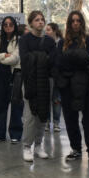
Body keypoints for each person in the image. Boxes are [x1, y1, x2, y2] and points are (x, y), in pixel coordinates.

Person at [57, 11, 89, 165]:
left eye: (78, 20)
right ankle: (75, 149)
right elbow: (60, 62)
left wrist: (74, 58)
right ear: (69, 23)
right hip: (67, 85)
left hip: (86, 86)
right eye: (73, 21)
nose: (76, 23)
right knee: (70, 119)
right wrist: (79, 58)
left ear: (82, 23)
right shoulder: (62, 43)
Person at [19, 11, 56, 162]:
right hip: (29, 80)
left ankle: (39, 145)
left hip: (47, 81)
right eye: (37, 20)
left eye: (42, 20)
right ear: (31, 23)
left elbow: (53, 61)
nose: (40, 22)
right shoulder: (24, 40)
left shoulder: (50, 41)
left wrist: (36, 57)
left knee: (43, 114)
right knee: (30, 115)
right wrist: (42, 58)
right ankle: (27, 146)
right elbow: (24, 60)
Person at [0, 16, 23, 143]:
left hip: (14, 76)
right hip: (0, 76)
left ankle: (15, 134)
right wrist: (3, 55)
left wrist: (0, 59)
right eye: (5, 25)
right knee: (1, 106)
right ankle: (0, 133)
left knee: (16, 105)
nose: (8, 26)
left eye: (10, 24)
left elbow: (15, 59)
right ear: (2, 27)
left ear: (14, 26)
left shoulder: (19, 39)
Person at [45, 22, 63, 133]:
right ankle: (47, 122)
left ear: (55, 31)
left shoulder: (62, 43)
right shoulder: (45, 43)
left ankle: (56, 122)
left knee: (56, 100)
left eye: (49, 30)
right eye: (46, 30)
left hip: (59, 76)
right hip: (48, 76)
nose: (46, 32)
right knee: (47, 100)